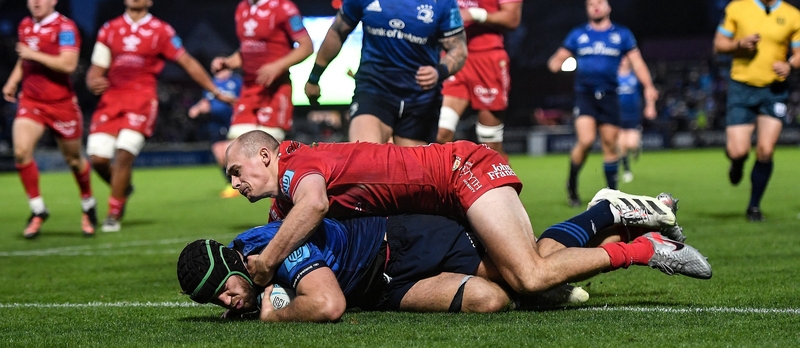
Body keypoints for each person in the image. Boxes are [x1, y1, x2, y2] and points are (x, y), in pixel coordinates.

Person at [224, 130, 710, 303]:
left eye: (237, 170)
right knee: (529, 268)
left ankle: (645, 249)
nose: (234, 182)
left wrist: (265, 263)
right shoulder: (282, 198)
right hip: (445, 201)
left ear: (265, 157)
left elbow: (315, 205)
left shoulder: (296, 165)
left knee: (531, 276)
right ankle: (607, 212)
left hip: (462, 173)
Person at [177, 192, 697, 322]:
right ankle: (604, 223)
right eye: (216, 302)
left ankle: (619, 227)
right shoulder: (247, 267)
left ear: (236, 265)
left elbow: (329, 304)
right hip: (381, 287)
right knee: (493, 301)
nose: (227, 302)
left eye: (224, 290)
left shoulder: (272, 250)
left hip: (404, 241)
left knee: (532, 275)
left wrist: (274, 312)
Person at [304, 0, 468, 146]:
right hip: (374, 90)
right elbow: (337, 32)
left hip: (420, 101)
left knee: (413, 180)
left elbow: (459, 50)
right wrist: (314, 77)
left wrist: (439, 71)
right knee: (365, 161)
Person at [85, 0, 234, 232]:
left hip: (142, 99)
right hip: (111, 99)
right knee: (98, 159)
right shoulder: (109, 29)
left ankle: (113, 212)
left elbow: (187, 62)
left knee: (123, 155)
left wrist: (213, 90)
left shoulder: (161, 30)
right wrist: (92, 82)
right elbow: (95, 70)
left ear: (149, 1)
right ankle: (124, 188)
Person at [2, 0, 96, 238]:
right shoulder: (25, 25)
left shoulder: (65, 27)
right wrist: (12, 82)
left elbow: (68, 64)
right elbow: (24, 60)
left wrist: (32, 55)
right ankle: (37, 209)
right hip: (31, 101)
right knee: (21, 152)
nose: (36, 0)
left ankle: (88, 205)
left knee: (75, 160)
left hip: (61, 104)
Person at [548, 0, 658, 207]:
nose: (595, 7)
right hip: (585, 95)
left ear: (608, 7)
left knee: (610, 144)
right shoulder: (578, 35)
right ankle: (572, 184)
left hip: (609, 95)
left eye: (599, 3)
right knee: (586, 140)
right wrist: (557, 63)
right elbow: (556, 60)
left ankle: (612, 195)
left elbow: (638, 63)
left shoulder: (622, 34)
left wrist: (648, 86)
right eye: (590, 4)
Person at [713, 0, 800, 222]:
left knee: (765, 150)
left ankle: (753, 206)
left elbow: (798, 52)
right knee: (739, 150)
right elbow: (718, 44)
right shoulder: (737, 9)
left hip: (773, 90)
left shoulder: (793, 15)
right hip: (741, 87)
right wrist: (738, 45)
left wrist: (790, 65)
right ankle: (737, 163)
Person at [437, 0, 523, 159]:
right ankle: (444, 197)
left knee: (490, 147)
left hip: (487, 58)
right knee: (439, 136)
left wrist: (475, 14)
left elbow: (513, 17)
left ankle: (506, 194)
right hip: (455, 58)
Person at [210, 0, 313, 162]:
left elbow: (307, 46)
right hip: (249, 90)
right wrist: (227, 62)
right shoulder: (241, 9)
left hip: (275, 89)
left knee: (268, 155)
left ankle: (291, 189)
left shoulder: (284, 8)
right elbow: (247, 50)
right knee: (234, 151)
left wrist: (277, 66)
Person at [187, 66, 242, 198]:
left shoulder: (237, 82)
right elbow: (206, 101)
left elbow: (243, 99)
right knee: (220, 155)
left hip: (232, 122)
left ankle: (242, 182)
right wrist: (198, 108)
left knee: (232, 153)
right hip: (215, 123)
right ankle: (231, 184)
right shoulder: (211, 84)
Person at [616, 56, 657, 183]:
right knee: (621, 145)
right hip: (618, 115)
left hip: (633, 114)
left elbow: (648, 90)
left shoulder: (636, 76)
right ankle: (627, 170)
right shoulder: (613, 76)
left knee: (631, 144)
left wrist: (650, 106)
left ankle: (636, 148)